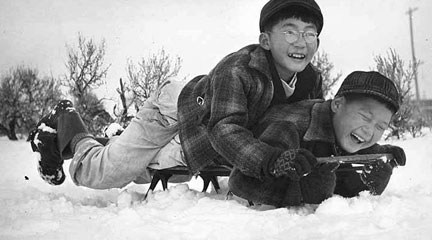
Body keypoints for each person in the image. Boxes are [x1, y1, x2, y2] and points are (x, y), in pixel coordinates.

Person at [29, 0, 325, 188]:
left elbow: (303, 128)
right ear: (265, 40)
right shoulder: (238, 68)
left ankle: (119, 138)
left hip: (200, 124)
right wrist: (271, 160)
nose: (301, 41)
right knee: (103, 173)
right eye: (290, 31)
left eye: (310, 33)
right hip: (174, 109)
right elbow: (224, 129)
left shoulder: (310, 80)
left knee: (148, 170)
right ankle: (66, 118)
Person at [228, 71, 406, 207]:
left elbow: (347, 155)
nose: (369, 132)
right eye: (365, 117)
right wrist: (302, 193)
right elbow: (240, 183)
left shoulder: (344, 128)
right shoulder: (289, 127)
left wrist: (367, 179)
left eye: (380, 127)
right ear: (337, 104)